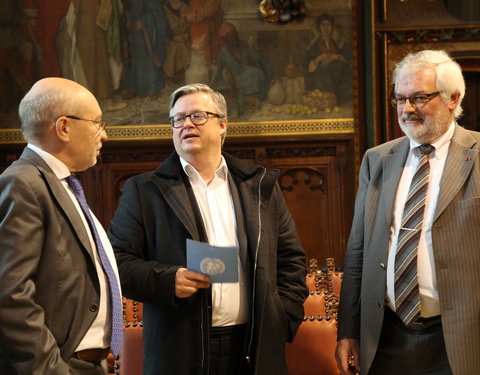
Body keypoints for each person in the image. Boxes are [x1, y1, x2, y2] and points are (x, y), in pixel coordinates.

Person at [108, 83, 308, 375]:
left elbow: (291, 259)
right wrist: (168, 280)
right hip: (178, 349)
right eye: (178, 119)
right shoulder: (145, 191)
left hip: (253, 346)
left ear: (223, 124)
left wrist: (281, 319)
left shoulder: (257, 185)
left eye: (197, 116)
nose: (186, 124)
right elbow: (117, 262)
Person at [335, 49, 480, 375]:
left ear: (453, 99)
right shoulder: (377, 159)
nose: (407, 109)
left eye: (418, 98)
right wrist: (348, 331)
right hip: (386, 335)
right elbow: (357, 251)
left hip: (461, 337)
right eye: (400, 99)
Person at [0, 77, 122, 375]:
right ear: (64, 127)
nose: (103, 135)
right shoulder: (23, 183)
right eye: (98, 123)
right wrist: (51, 369)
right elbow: (9, 295)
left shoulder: (60, 183)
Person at [303, 14, 352, 105]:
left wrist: (334, 56)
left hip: (338, 82)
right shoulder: (314, 46)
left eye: (328, 25)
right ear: (319, 27)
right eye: (323, 25)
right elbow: (309, 69)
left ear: (332, 27)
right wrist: (319, 58)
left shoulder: (338, 43)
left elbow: (346, 61)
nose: (326, 28)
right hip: (321, 85)